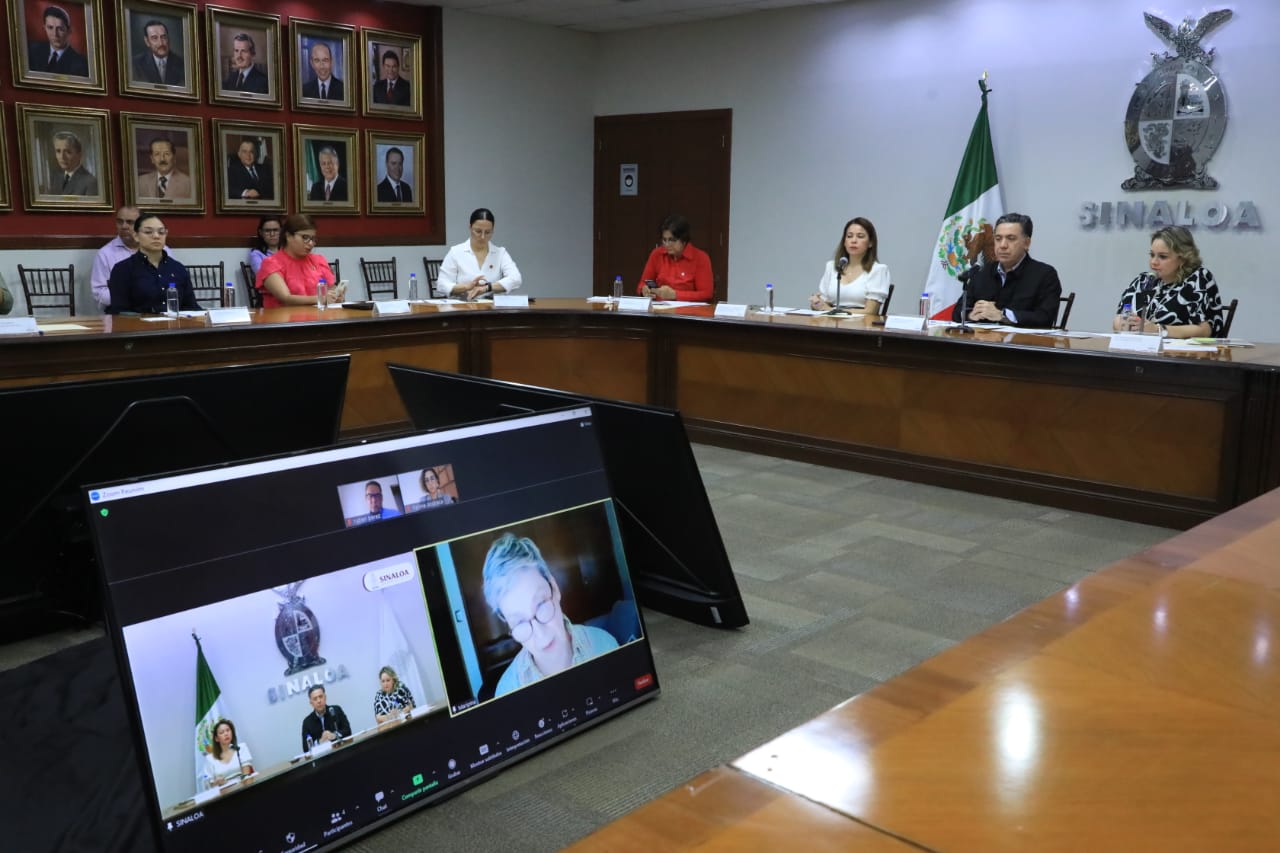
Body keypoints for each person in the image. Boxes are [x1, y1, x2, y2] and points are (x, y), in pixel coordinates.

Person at [482, 532, 618, 697]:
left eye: (540, 605)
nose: (541, 635)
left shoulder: (604, 645)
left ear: (554, 587)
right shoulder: (507, 691)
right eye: (519, 622)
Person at [1112, 226, 1226, 339]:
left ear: (1183, 258)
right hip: (1138, 347)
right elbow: (1118, 320)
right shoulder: (1144, 280)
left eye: (1162, 257)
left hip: (1178, 350)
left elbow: (1205, 330)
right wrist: (1125, 325)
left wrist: (1158, 330)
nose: (1154, 262)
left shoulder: (1197, 278)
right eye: (1152, 255)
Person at [951, 212, 1062, 327]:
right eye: (998, 239)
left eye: (1011, 238)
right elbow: (957, 313)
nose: (1003, 245)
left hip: (1020, 338)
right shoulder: (981, 272)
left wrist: (1003, 316)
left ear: (1026, 243)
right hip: (982, 337)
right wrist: (970, 315)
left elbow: (1045, 318)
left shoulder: (1045, 275)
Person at [105, 212, 200, 314]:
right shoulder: (123, 269)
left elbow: (191, 307)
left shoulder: (178, 268)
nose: (156, 236)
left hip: (176, 323)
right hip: (138, 323)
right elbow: (120, 312)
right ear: (136, 236)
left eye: (161, 232)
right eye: (148, 232)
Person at [255, 213, 340, 307]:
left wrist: (336, 296)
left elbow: (332, 290)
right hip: (285, 315)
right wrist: (320, 299)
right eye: (305, 237)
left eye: (313, 239)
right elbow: (286, 298)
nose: (311, 243)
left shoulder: (318, 260)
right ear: (288, 236)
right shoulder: (271, 264)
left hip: (319, 315)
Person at [809, 217, 891, 312]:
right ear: (844, 242)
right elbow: (824, 304)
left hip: (860, 321)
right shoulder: (832, 266)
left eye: (860, 236)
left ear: (870, 243)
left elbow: (870, 312)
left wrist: (832, 310)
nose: (853, 240)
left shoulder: (878, 270)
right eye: (849, 236)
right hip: (830, 320)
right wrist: (816, 304)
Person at [437, 208, 522, 299]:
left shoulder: (500, 253)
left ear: (493, 230)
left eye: (487, 232)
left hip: (491, 306)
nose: (482, 237)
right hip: (463, 305)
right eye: (478, 231)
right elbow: (442, 285)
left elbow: (516, 279)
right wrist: (466, 287)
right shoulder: (456, 252)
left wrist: (487, 288)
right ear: (470, 228)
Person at [636, 214, 714, 302]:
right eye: (664, 240)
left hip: (688, 309)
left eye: (671, 240)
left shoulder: (701, 258)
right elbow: (642, 284)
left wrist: (675, 295)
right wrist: (644, 290)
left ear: (684, 240)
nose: (667, 244)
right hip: (659, 307)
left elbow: (706, 294)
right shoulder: (657, 254)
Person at [91, 206, 141, 308]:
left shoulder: (161, 250)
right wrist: (131, 298)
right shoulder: (105, 254)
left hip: (156, 311)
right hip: (120, 311)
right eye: (120, 222)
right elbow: (99, 292)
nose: (124, 226)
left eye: (130, 222)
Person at [29, 5, 89, 77]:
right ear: (44, 28)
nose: (55, 34)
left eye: (60, 29)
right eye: (50, 28)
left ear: (69, 31)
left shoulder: (81, 64)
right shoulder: (32, 50)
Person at [131, 19, 185, 86]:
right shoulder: (136, 64)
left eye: (163, 37)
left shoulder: (182, 64)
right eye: (154, 38)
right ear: (147, 41)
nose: (161, 43)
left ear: (168, 38)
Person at [203, 719, 253, 787]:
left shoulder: (240, 748)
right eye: (222, 732)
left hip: (244, 786)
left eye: (228, 730)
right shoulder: (209, 758)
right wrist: (216, 782)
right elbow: (208, 780)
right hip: (224, 790)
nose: (226, 734)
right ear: (216, 738)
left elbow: (246, 773)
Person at [300, 685, 351, 752]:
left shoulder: (336, 710)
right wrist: (319, 741)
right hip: (321, 756)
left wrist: (334, 735)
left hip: (341, 751)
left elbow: (348, 731)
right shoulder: (307, 722)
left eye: (321, 697)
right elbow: (306, 748)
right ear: (311, 703)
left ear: (325, 697)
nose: (319, 701)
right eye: (315, 699)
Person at [47, 131, 98, 196]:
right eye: (58, 151)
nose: (62, 157)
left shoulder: (90, 182)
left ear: (79, 154)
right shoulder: (55, 178)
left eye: (68, 152)